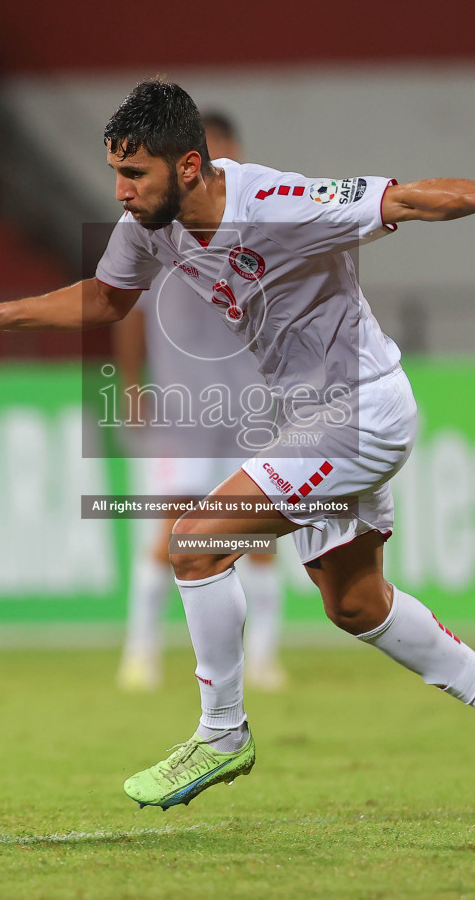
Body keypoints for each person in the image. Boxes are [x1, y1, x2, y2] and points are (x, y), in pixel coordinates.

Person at [0, 78, 475, 819]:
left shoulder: (279, 206)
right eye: (115, 171)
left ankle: (222, 733)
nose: (119, 190)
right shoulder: (152, 223)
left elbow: (401, 199)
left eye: (133, 173)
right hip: (310, 418)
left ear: (187, 166)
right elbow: (108, 297)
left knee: (195, 543)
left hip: (361, 409)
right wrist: (1, 314)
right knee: (354, 603)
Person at [113, 110, 287, 693]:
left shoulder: (261, 225)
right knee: (170, 526)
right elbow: (126, 312)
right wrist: (131, 385)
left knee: (257, 533)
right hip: (185, 410)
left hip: (251, 407)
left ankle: (263, 658)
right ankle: (140, 652)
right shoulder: (154, 228)